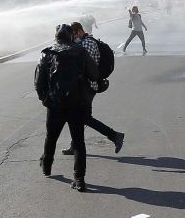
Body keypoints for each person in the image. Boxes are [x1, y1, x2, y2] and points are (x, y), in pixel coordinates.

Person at [36, 24, 99, 192]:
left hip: (55, 104)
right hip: (77, 104)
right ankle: (79, 179)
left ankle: (47, 167)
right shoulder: (80, 52)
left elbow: (38, 82)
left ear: (56, 36)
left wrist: (45, 99)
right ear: (71, 36)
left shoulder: (47, 53)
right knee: (78, 142)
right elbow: (94, 74)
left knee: (51, 137)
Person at [65, 21, 125, 155]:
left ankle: (115, 136)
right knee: (76, 116)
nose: (73, 38)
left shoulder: (87, 43)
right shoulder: (82, 43)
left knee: (83, 117)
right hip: (84, 86)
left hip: (88, 86)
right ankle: (75, 145)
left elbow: (85, 66)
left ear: (79, 32)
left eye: (74, 35)